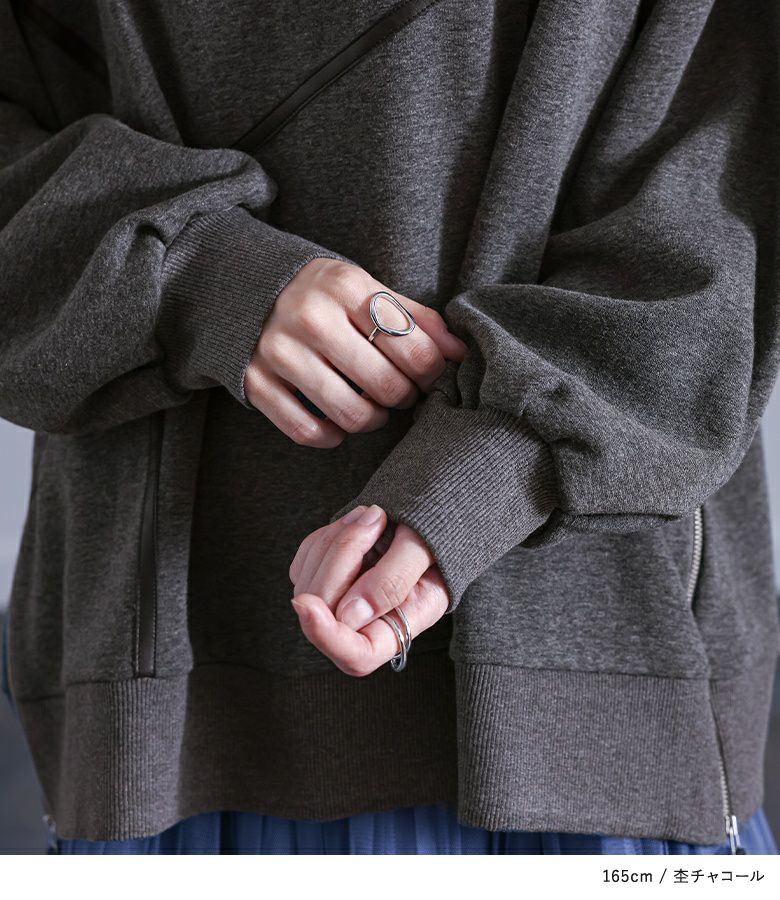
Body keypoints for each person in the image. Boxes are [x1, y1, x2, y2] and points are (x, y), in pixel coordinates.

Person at [0, 0, 779, 855]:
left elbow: (721, 182)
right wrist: (194, 272)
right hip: (159, 690)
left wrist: (487, 476)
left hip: (591, 670)